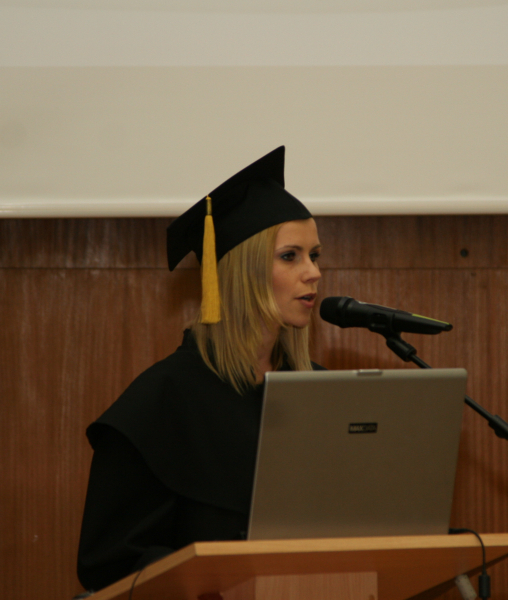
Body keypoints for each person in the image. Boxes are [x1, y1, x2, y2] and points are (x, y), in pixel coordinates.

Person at [76, 146, 324, 591]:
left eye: (315, 255)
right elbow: (112, 565)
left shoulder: (321, 394)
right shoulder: (161, 401)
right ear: (243, 271)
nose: (313, 273)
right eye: (291, 256)